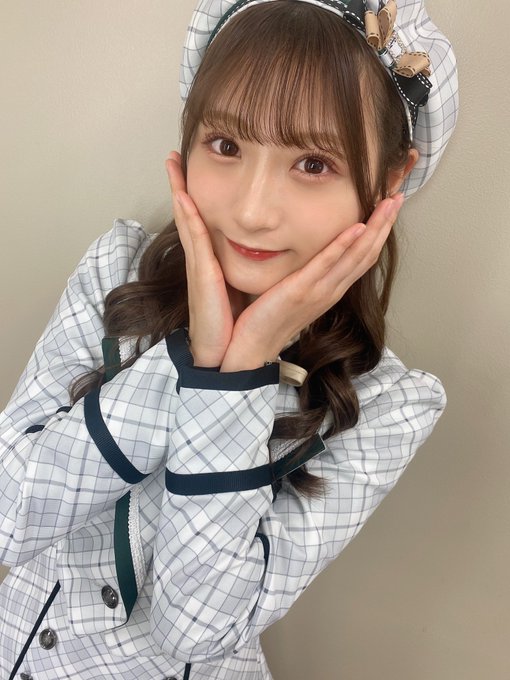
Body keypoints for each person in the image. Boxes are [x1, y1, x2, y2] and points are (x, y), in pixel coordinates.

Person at [0, 0, 458, 678]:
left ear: (390, 179)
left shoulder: (389, 404)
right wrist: (193, 356)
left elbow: (194, 630)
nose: (251, 210)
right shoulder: (116, 268)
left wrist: (238, 371)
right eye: (226, 146)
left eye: (313, 163)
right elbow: (8, 515)